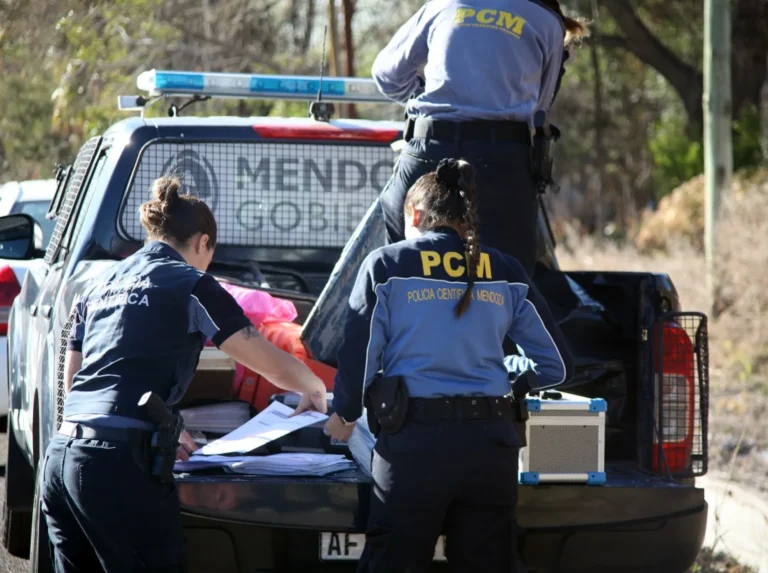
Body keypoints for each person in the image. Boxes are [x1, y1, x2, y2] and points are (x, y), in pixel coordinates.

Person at [41, 176, 328, 573]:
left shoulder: (96, 286)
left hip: (61, 464)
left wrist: (155, 429)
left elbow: (75, 382)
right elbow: (264, 357)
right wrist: (312, 384)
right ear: (202, 242)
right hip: (118, 468)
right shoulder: (191, 284)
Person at [325, 159, 574, 572]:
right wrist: (511, 376)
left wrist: (345, 414)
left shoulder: (386, 265)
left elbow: (361, 354)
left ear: (416, 216)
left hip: (414, 451)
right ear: (464, 221)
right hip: (491, 452)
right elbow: (558, 365)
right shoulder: (505, 269)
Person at [370, 0, 588, 275]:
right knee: (511, 282)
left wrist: (427, 99)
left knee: (397, 271)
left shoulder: (444, 5)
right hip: (502, 163)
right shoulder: (546, 20)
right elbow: (540, 112)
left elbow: (386, 75)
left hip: (427, 149)